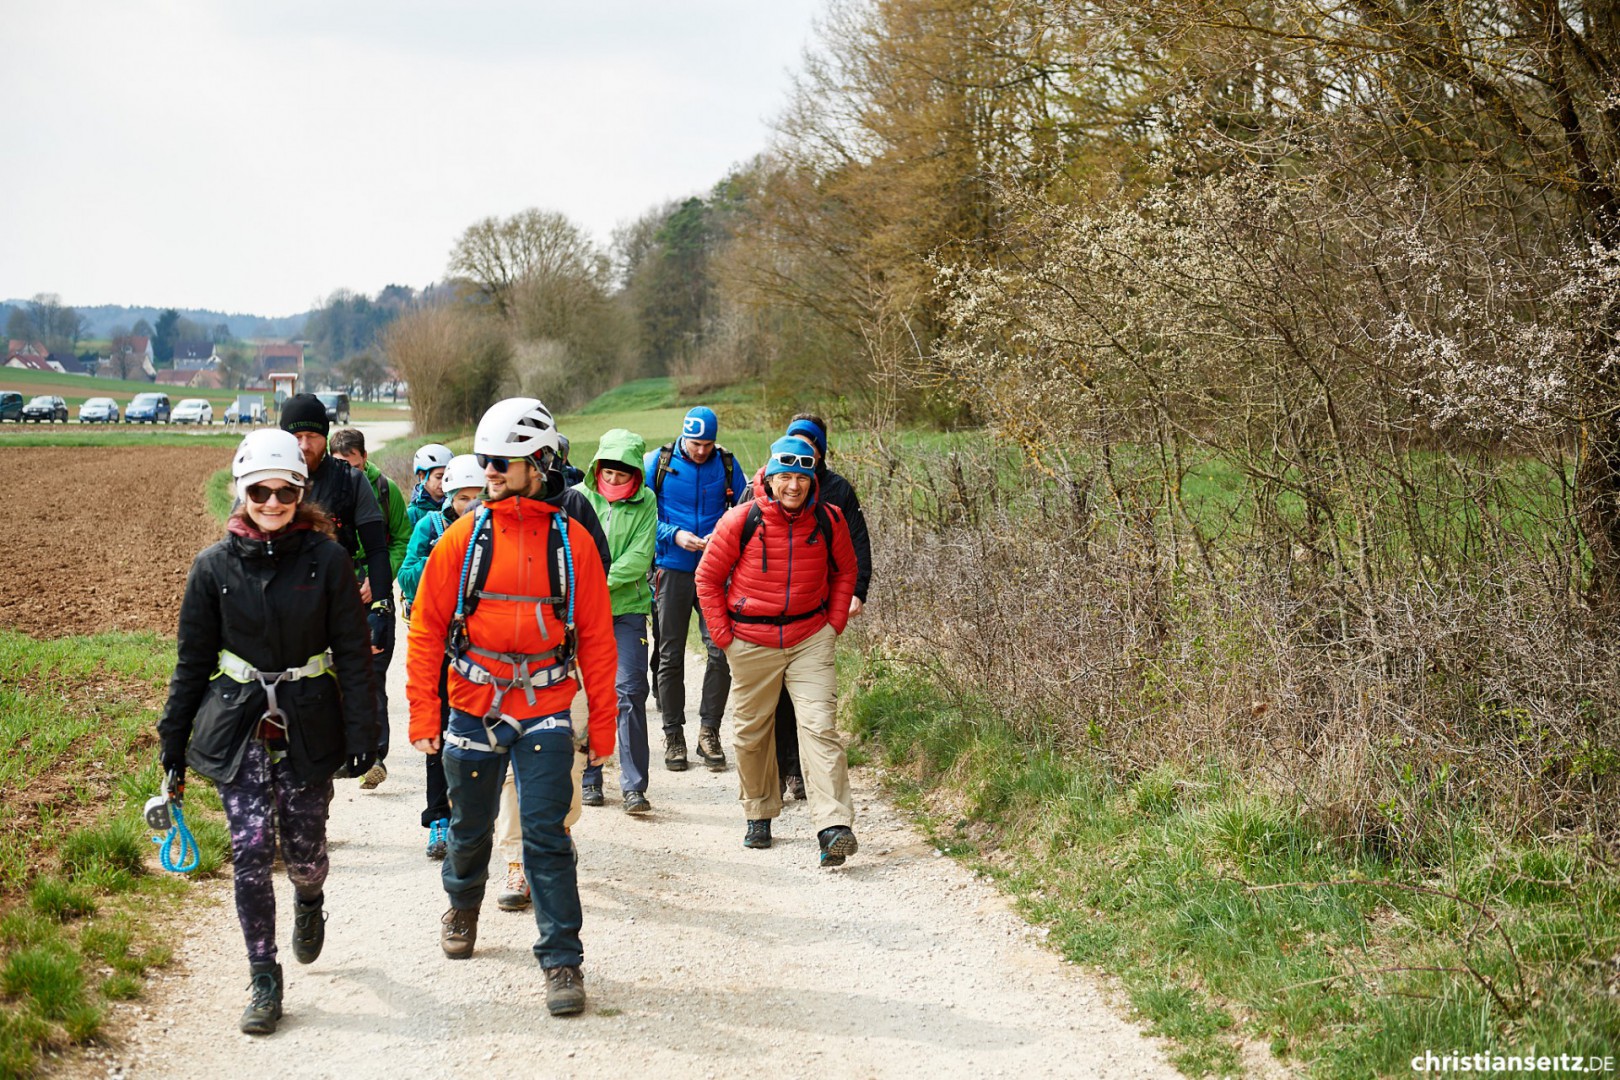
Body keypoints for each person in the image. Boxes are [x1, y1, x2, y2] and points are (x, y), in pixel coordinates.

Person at [157, 428, 378, 1035]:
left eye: (285, 491)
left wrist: (366, 733)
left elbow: (354, 655)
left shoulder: (328, 560)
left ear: (300, 491)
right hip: (237, 724)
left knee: (305, 853)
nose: (273, 502)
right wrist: (171, 748)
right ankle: (263, 976)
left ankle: (311, 901)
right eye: (260, 491)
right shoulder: (212, 567)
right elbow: (190, 663)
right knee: (251, 852)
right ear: (242, 491)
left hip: (308, 721)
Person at [406, 397, 618, 1017]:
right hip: (472, 705)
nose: (489, 472)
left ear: (540, 463)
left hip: (548, 706)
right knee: (469, 830)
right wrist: (424, 714)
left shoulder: (571, 542)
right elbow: (425, 629)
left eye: (502, 462)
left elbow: (600, 641)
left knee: (546, 835)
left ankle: (562, 960)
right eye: (485, 461)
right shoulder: (462, 540)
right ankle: (463, 905)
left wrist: (601, 724)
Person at [694, 435, 859, 864]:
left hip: (809, 639)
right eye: (785, 476)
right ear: (769, 477)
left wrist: (833, 623)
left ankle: (833, 826)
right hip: (750, 641)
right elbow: (707, 579)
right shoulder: (739, 520)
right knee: (751, 733)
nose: (793, 486)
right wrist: (726, 638)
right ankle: (759, 813)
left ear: (811, 480)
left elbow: (846, 571)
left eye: (801, 477)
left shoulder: (830, 519)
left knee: (820, 727)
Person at [278, 394, 393, 786]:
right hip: (282, 609)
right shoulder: (268, 482)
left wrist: (381, 604)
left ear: (326, 438)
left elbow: (377, 548)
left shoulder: (350, 481)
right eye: (296, 436)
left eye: (312, 435)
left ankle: (358, 757)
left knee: (348, 684)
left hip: (335, 601)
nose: (304, 445)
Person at [770, 415, 873, 801]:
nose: (801, 454)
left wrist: (857, 591)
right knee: (778, 700)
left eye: (809, 445)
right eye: (793, 442)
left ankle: (802, 774)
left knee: (812, 701)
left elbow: (857, 545)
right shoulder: (766, 490)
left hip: (819, 608)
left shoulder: (838, 492)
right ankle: (782, 771)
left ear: (821, 451)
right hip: (772, 615)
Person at [644, 406, 748, 773]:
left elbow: (746, 511)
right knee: (670, 654)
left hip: (716, 571)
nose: (701, 450)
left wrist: (722, 535)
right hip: (671, 569)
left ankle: (709, 732)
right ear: (682, 436)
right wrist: (675, 535)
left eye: (707, 444)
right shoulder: (658, 463)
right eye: (694, 443)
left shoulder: (730, 466)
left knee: (720, 651)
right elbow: (640, 517)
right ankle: (673, 735)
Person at [398, 453, 485, 859]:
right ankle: (438, 819)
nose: (470, 504)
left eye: (477, 496)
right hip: (439, 641)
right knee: (440, 736)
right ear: (448, 495)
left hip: (479, 646)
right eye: (462, 497)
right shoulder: (427, 527)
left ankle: (478, 818)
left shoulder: (491, 531)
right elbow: (407, 574)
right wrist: (441, 560)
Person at [572, 429, 657, 813]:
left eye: (624, 473)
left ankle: (634, 786)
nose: (615, 478)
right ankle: (590, 778)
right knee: (587, 694)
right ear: (598, 466)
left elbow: (640, 557)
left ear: (636, 472)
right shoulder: (578, 497)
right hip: (582, 614)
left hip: (627, 610)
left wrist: (594, 580)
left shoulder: (647, 503)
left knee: (629, 690)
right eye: (609, 471)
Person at [329, 426, 411, 791]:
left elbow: (402, 540)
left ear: (364, 458)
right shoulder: (326, 489)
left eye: (352, 462)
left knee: (373, 672)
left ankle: (375, 756)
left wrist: (376, 583)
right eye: (339, 463)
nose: (346, 469)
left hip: (374, 593)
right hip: (336, 592)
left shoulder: (385, 490)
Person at [408, 443, 454, 528]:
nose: (444, 481)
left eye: (448, 476)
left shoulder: (456, 505)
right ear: (422, 476)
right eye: (439, 477)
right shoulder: (413, 514)